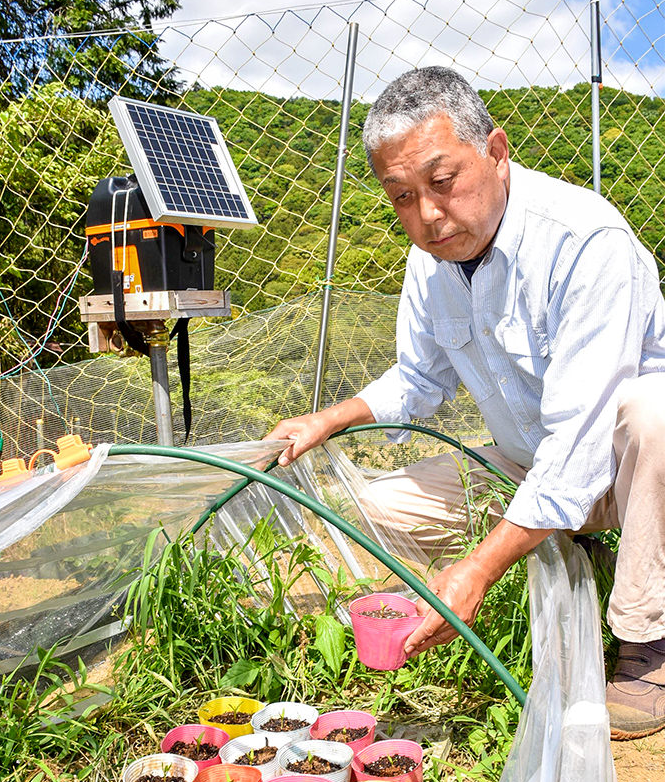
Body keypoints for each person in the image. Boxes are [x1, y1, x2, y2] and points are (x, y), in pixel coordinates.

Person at [265, 66, 665, 740]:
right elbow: (417, 378)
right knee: (378, 509)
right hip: (525, 464)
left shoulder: (585, 241)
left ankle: (646, 639)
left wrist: (479, 567)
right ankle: (574, 545)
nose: (426, 214)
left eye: (443, 182)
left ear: (497, 151)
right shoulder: (431, 261)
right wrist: (329, 420)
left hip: (628, 471)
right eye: (401, 196)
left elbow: (579, 442)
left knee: (654, 414)